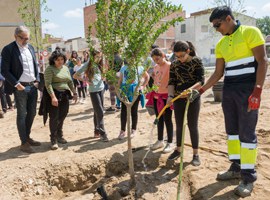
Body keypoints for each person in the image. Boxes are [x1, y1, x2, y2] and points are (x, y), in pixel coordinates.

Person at [190, 6, 268, 197]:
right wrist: (200, 90)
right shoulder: (221, 45)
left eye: (217, 25)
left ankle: (248, 177)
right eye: (214, 27)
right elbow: (218, 73)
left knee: (247, 133)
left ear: (228, 19)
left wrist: (257, 91)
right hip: (229, 91)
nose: (217, 29)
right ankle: (236, 167)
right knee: (232, 132)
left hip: (248, 90)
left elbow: (263, 61)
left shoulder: (250, 32)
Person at [1, 26, 41, 153]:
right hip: (20, 87)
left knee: (32, 113)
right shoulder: (8, 49)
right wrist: (16, 84)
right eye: (22, 38)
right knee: (21, 115)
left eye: (27, 38)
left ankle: (27, 137)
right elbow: (4, 70)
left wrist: (37, 80)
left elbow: (35, 65)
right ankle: (23, 142)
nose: (25, 41)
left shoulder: (31, 47)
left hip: (32, 86)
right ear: (15, 36)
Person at [167, 41, 204, 166]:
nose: (180, 59)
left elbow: (201, 81)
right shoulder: (174, 64)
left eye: (182, 56)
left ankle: (195, 154)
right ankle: (178, 150)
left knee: (192, 125)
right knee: (179, 125)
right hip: (178, 98)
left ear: (188, 51)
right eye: (177, 56)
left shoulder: (196, 61)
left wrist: (190, 90)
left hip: (193, 97)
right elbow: (171, 82)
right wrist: (170, 96)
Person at [43, 51, 78, 150]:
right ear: (53, 60)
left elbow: (70, 81)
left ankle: (59, 135)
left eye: (62, 59)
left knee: (63, 114)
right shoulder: (50, 69)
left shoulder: (66, 68)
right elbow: (48, 84)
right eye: (57, 59)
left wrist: (74, 93)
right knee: (54, 117)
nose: (60, 61)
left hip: (65, 95)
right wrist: (53, 97)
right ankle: (53, 139)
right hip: (54, 94)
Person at [73, 49, 109, 142]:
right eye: (97, 56)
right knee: (100, 111)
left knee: (97, 111)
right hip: (93, 91)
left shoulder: (99, 64)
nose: (99, 58)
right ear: (92, 56)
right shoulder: (87, 64)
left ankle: (96, 131)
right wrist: (85, 80)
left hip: (101, 89)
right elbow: (75, 75)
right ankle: (103, 133)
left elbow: (102, 75)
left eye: (100, 56)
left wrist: (103, 77)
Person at [148, 48, 174, 153]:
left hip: (166, 96)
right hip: (156, 95)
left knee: (168, 119)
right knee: (158, 119)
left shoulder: (170, 66)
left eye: (158, 59)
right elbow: (155, 79)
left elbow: (173, 81)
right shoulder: (155, 67)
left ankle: (170, 142)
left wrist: (171, 96)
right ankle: (160, 140)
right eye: (154, 60)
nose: (157, 61)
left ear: (163, 55)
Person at [117, 61, 149, 140]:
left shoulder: (140, 67)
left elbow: (147, 76)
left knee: (134, 111)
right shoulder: (123, 68)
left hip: (135, 91)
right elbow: (120, 80)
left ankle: (133, 130)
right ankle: (122, 131)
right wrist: (118, 89)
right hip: (125, 91)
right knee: (124, 111)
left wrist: (142, 87)